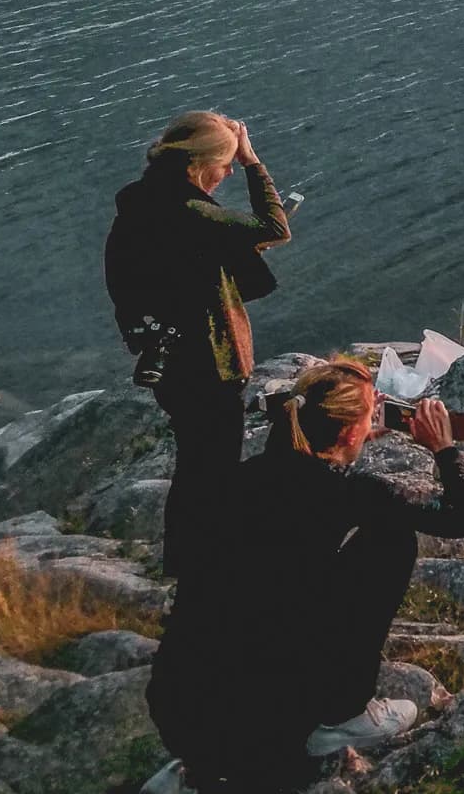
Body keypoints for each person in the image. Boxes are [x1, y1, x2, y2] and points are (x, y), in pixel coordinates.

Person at [142, 357, 464, 793]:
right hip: (274, 719)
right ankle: (340, 716)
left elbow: (287, 458)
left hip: (178, 709)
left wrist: (353, 428)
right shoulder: (352, 492)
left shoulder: (234, 481)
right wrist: (444, 448)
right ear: (347, 432)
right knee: (393, 537)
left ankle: (196, 771)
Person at [105, 111, 291, 580]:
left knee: (192, 471)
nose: (228, 172)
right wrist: (254, 164)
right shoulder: (194, 213)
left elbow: (168, 270)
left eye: (235, 164)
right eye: (225, 163)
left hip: (169, 362)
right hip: (210, 365)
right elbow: (275, 227)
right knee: (216, 473)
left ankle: (183, 564)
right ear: (198, 165)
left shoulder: (140, 206)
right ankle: (210, 573)